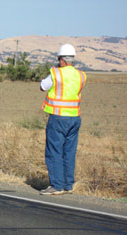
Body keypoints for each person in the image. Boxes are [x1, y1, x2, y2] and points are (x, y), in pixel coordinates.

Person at [39, 44, 87, 195]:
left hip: (58, 117)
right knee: (69, 152)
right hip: (75, 118)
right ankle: (68, 185)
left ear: (61, 60)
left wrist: (55, 70)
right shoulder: (81, 75)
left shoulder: (56, 73)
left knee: (54, 151)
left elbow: (43, 86)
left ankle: (57, 186)